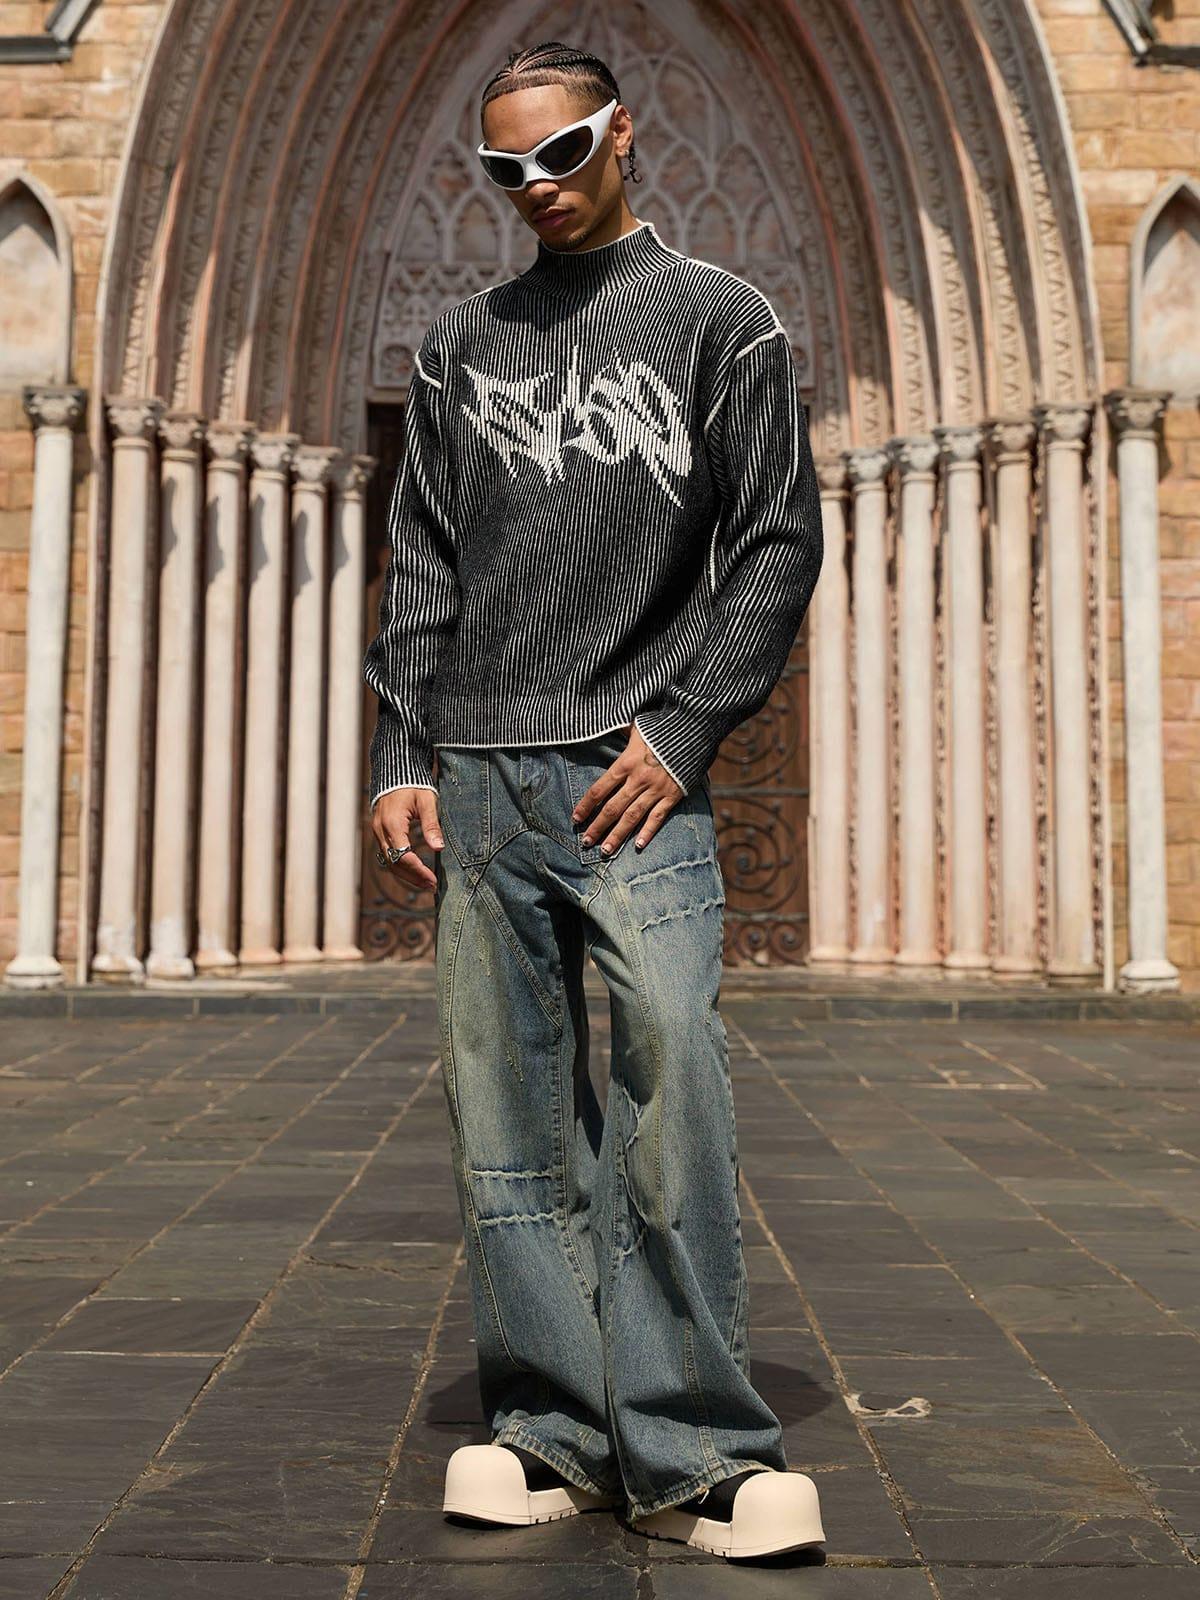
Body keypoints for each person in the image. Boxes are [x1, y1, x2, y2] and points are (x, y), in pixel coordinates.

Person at [363, 40, 825, 1562]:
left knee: (676, 1076)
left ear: (623, 134)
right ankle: (550, 1427)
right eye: (505, 171)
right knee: (504, 1112)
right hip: (485, 779)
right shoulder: (458, 346)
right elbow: (424, 566)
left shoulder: (722, 322)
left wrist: (684, 734)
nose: (536, 188)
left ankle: (698, 1446)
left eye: (560, 153)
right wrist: (403, 753)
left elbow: (776, 544)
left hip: (636, 777)